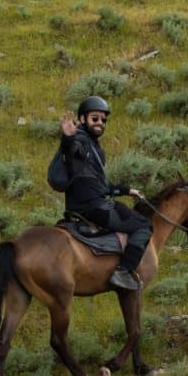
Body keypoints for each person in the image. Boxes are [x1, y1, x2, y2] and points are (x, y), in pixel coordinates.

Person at [51, 95, 149, 292]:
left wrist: (126, 190)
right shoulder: (80, 139)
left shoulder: (95, 148)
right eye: (95, 118)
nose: (100, 123)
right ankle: (123, 271)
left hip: (89, 204)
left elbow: (99, 185)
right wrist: (67, 138)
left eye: (103, 120)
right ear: (82, 119)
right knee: (144, 226)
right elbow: (72, 151)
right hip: (93, 207)